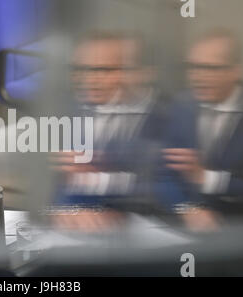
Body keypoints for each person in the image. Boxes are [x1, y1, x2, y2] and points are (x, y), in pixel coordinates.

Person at [51, 32, 182, 231]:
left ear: (142, 73)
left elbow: (170, 192)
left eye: (104, 70)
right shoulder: (76, 110)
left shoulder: (170, 118)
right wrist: (67, 209)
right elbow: (65, 185)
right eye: (80, 70)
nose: (88, 80)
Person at [163, 29, 243, 231]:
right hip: (184, 231)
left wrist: (207, 178)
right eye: (193, 67)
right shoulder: (180, 107)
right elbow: (162, 176)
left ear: (236, 71)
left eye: (209, 68)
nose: (198, 77)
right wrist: (186, 208)